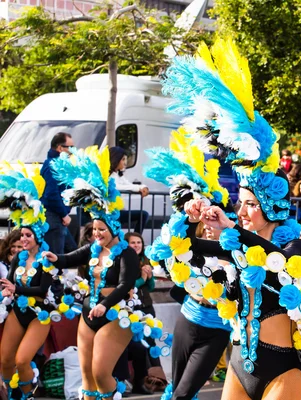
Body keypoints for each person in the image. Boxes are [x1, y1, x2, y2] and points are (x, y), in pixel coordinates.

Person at [162, 39, 301, 400]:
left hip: (280, 369)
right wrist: (189, 216)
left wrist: (233, 230)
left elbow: (273, 257)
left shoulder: (294, 246)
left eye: (250, 204)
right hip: (239, 364)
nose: (242, 211)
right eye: (240, 204)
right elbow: (190, 249)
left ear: (270, 209)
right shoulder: (235, 243)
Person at [45, 146, 171, 400]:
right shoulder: (93, 249)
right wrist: (55, 257)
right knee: (88, 378)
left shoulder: (127, 254)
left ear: (113, 229)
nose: (96, 235)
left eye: (101, 230)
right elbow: (70, 257)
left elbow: (125, 284)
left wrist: (104, 304)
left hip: (116, 314)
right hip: (88, 314)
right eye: (94, 230)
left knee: (101, 373)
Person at [143, 130, 235, 400]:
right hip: (188, 318)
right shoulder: (189, 249)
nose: (208, 227)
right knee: (175, 391)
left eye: (213, 220)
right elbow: (164, 246)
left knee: (184, 393)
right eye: (204, 222)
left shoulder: (234, 252)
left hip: (217, 329)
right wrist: (188, 214)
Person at [0, 164, 58, 400]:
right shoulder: (19, 258)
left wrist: (17, 288)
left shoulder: (46, 259)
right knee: (4, 359)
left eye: (27, 236)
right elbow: (10, 285)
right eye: (21, 235)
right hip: (19, 311)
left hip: (39, 313)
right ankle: (11, 396)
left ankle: (28, 397)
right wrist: (8, 290)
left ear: (37, 237)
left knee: (22, 360)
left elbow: (43, 290)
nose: (23, 239)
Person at [124, 232, 163, 394]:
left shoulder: (144, 261)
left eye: (139, 242)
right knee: (139, 345)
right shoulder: (125, 261)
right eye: (132, 243)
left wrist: (149, 277)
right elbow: (129, 286)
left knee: (152, 344)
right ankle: (141, 381)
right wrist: (142, 278)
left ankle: (159, 381)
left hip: (147, 307)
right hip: (132, 310)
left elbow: (150, 287)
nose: (136, 245)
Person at [40, 132, 74, 254]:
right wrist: (64, 214)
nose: (72, 151)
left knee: (72, 252)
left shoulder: (57, 165)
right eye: (70, 147)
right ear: (60, 148)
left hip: (57, 217)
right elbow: (51, 194)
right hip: (53, 217)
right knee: (55, 259)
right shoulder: (53, 166)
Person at [109, 147, 149, 234]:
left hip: (119, 211)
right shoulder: (109, 175)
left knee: (143, 215)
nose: (125, 163)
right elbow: (116, 187)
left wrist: (143, 187)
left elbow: (129, 185)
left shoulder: (118, 175)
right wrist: (139, 188)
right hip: (111, 213)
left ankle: (136, 239)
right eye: (123, 159)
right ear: (115, 159)